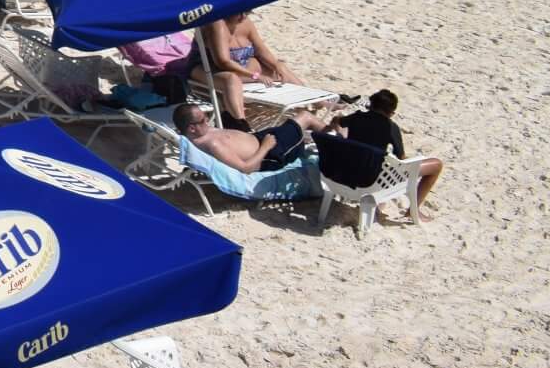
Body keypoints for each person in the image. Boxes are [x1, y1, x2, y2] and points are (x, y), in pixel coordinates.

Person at [321, 89, 444, 216]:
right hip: (371, 181)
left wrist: (338, 132)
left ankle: (382, 203)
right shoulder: (391, 127)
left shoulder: (356, 117)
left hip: (344, 173)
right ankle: (414, 210)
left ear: (371, 105)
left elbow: (336, 120)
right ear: (391, 113)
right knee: (436, 165)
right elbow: (401, 159)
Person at [176, 98, 339, 176]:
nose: (207, 120)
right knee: (305, 117)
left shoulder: (199, 133)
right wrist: (266, 147)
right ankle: (342, 144)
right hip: (272, 153)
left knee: (301, 124)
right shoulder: (213, 145)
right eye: (204, 119)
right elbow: (245, 168)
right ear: (191, 128)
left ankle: (333, 137)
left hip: (261, 138)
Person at [199, 12, 298, 127]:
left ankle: (316, 103)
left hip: (241, 67)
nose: (243, 16)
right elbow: (223, 62)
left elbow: (261, 51)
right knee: (232, 80)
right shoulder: (217, 25)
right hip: (208, 69)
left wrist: (277, 65)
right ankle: (241, 124)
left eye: (247, 12)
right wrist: (254, 75)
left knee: (280, 68)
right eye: (239, 13)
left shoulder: (246, 22)